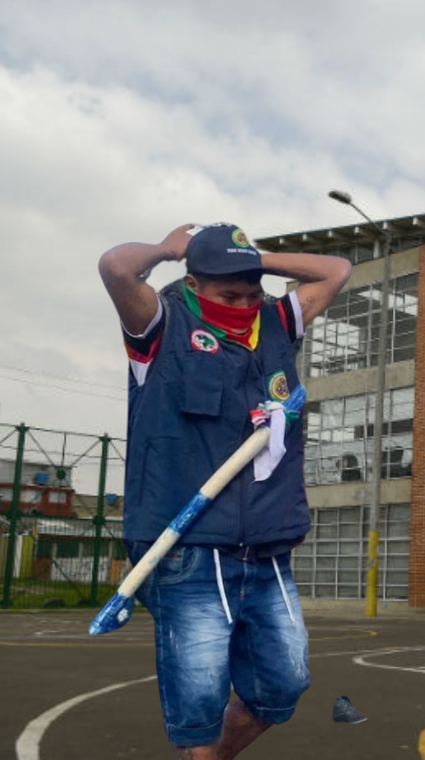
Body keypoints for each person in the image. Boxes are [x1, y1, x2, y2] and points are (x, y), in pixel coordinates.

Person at [99, 222, 350, 760]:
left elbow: (337, 270)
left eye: (252, 292)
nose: (243, 303)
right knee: (199, 708)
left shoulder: (278, 323)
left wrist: (256, 258)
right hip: (186, 546)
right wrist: (171, 249)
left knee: (282, 685)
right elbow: (117, 266)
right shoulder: (161, 323)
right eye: (228, 293)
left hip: (266, 543)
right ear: (195, 283)